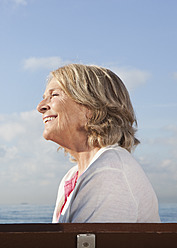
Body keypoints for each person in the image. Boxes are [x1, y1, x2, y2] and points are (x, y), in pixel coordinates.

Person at [36, 64, 160, 223]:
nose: (40, 107)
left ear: (90, 107)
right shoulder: (73, 176)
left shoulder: (109, 171)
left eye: (54, 95)